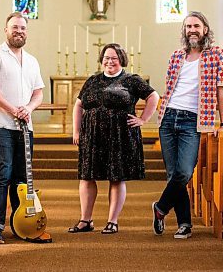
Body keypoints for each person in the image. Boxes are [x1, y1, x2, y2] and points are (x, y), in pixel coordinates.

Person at [152, 11, 223, 239]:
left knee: (184, 172)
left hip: (193, 120)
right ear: (184, 31)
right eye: (187, 26)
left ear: (205, 29)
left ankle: (160, 208)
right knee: (173, 174)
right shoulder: (176, 55)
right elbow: (169, 87)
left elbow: (220, 91)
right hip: (168, 117)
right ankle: (184, 223)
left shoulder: (216, 54)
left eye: (196, 25)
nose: (192, 30)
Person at [68, 43, 159, 234]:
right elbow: (78, 105)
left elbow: (153, 96)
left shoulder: (131, 80)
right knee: (86, 177)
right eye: (107, 58)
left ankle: (112, 221)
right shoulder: (92, 80)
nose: (110, 61)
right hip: (92, 136)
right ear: (102, 60)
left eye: (114, 58)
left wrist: (143, 119)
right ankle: (86, 220)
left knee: (116, 178)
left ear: (122, 60)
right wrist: (76, 131)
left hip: (120, 136)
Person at [0, 12, 46, 244]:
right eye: (15, 27)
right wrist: (13, 110)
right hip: (1, 125)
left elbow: (38, 93)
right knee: (3, 174)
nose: (19, 31)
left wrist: (28, 108)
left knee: (22, 178)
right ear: (6, 30)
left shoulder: (31, 60)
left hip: (25, 126)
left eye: (23, 28)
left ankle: (21, 226)